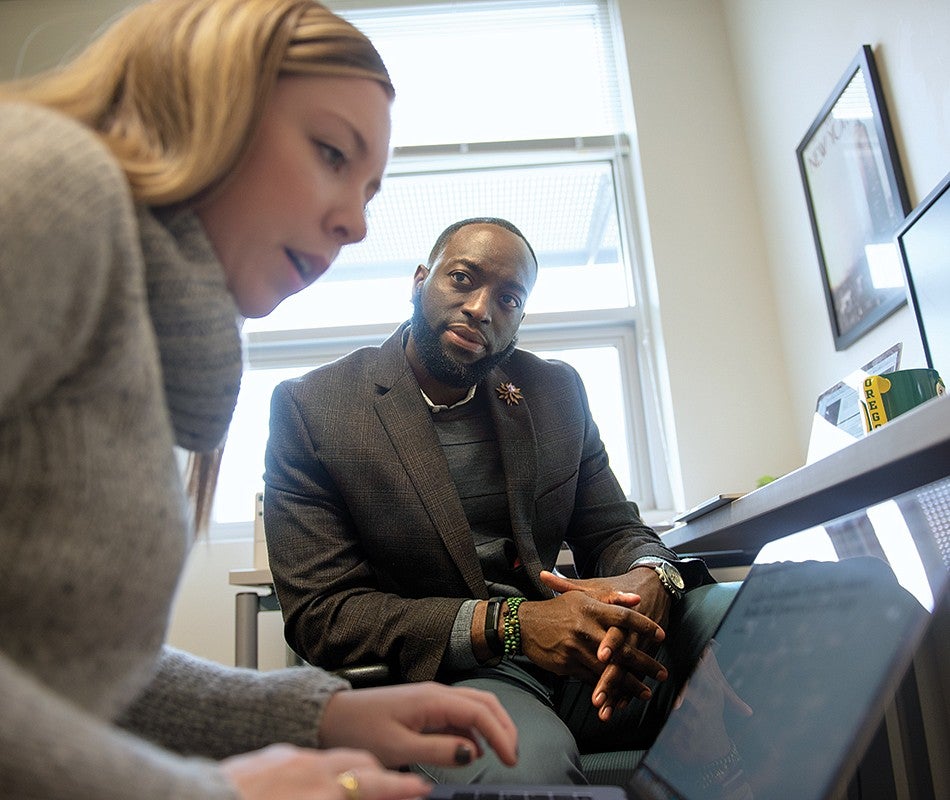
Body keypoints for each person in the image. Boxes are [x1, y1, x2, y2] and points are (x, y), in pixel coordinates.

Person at [0, 2, 519, 799]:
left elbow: (71, 669)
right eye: (329, 152)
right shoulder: (50, 186)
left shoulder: (143, 326)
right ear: (206, 98)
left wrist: (322, 717)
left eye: (370, 189)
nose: (354, 223)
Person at [264, 217, 734, 784]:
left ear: (519, 320)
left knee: (758, 618)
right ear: (420, 281)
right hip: (462, 675)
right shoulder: (317, 410)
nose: (481, 309)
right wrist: (512, 624)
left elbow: (614, 531)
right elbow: (324, 614)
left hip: (595, 659)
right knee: (522, 770)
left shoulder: (554, 392)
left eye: (508, 298)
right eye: (462, 279)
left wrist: (652, 577)